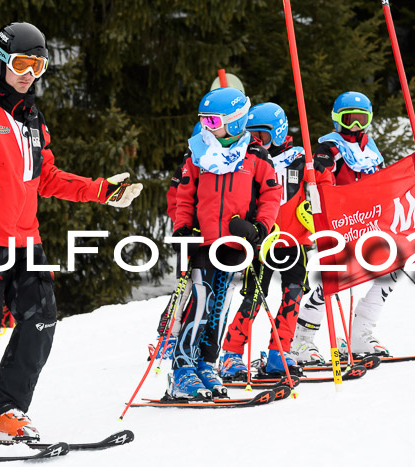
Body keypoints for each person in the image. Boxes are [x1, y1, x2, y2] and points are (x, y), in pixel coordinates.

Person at [0, 22, 143, 451]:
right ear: (0, 60)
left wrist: (101, 190)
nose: (29, 73)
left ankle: (3, 413)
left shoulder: (32, 117)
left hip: (26, 241)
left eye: (38, 65)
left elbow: (45, 176)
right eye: (21, 63)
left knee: (41, 322)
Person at [169, 87, 281, 400]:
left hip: (235, 244)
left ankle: (206, 363)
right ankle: (181, 369)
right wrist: (182, 229)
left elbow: (272, 195)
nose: (207, 126)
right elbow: (184, 196)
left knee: (220, 306)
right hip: (204, 244)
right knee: (200, 303)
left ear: (234, 121)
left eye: (214, 120)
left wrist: (260, 226)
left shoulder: (255, 157)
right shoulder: (197, 153)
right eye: (203, 120)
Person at [290, 91, 400, 364]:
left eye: (361, 119)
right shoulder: (329, 149)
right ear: (337, 119)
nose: (355, 126)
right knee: (337, 279)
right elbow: (324, 186)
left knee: (393, 268)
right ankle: (301, 338)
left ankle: (361, 332)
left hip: (370, 222)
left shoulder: (372, 150)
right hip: (342, 224)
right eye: (349, 119)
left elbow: (381, 183)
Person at [218, 103, 319, 379]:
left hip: (293, 240)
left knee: (294, 294)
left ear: (279, 131)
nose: (256, 141)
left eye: (262, 136)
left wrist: (321, 168)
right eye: (251, 135)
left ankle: (279, 352)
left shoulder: (300, 158)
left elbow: (323, 183)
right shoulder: (248, 159)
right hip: (262, 241)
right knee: (253, 297)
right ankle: (232, 353)